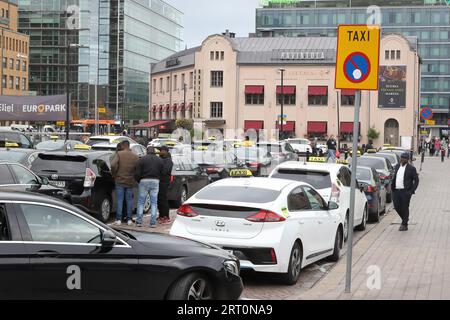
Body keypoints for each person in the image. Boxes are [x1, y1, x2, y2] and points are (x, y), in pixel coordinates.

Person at [134, 146, 164, 228]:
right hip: (155, 181)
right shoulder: (160, 160)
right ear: (154, 151)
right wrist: (159, 179)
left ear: (147, 151)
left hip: (144, 180)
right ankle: (153, 223)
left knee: (141, 202)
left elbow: (137, 172)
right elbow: (163, 171)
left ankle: (139, 222)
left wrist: (138, 180)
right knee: (154, 202)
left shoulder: (142, 160)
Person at [111, 141, 139, 226]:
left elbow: (113, 165)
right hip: (130, 181)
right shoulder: (135, 156)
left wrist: (114, 174)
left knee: (120, 200)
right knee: (129, 200)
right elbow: (137, 169)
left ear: (123, 145)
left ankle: (118, 219)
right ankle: (129, 219)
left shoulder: (119, 154)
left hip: (120, 180)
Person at [392, 152, 420, 231]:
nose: (402, 159)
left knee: (404, 207)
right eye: (401, 157)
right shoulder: (397, 166)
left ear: (407, 159)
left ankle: (404, 224)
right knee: (397, 207)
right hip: (396, 191)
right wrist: (392, 187)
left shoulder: (411, 168)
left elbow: (416, 180)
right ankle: (405, 219)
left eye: (404, 158)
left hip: (405, 192)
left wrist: (411, 191)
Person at [157, 146, 174, 225]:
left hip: (164, 182)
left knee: (163, 199)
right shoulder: (161, 159)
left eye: (162, 150)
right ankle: (161, 215)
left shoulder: (168, 160)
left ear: (166, 151)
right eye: (160, 150)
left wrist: (159, 168)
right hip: (159, 181)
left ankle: (166, 216)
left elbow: (165, 171)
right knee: (159, 199)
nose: (160, 152)